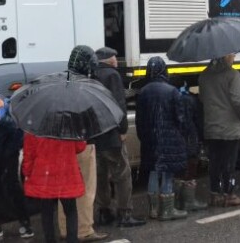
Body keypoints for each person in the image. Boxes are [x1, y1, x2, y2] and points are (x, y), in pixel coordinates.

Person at [58, 45, 108, 242]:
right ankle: (84, 229)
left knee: (64, 191)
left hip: (62, 143)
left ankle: (65, 228)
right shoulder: (86, 85)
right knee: (85, 189)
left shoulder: (60, 82)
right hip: (83, 143)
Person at [92, 47, 145, 228]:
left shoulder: (91, 74)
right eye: (114, 56)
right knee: (122, 174)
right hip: (111, 134)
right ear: (108, 59)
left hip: (95, 135)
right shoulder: (112, 76)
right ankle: (125, 213)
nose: (116, 59)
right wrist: (122, 129)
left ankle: (103, 212)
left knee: (100, 175)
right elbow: (118, 104)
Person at [136, 56, 190, 220]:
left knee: (153, 171)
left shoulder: (143, 92)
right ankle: (167, 210)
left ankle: (153, 209)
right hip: (169, 139)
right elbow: (180, 118)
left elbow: (139, 120)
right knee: (167, 172)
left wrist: (144, 136)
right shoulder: (172, 91)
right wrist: (181, 134)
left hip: (150, 140)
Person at [199, 54, 240, 207]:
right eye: (232, 54)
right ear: (225, 56)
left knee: (215, 162)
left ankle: (215, 194)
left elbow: (202, 98)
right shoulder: (232, 75)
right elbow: (238, 99)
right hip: (229, 127)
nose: (234, 57)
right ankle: (229, 194)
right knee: (229, 163)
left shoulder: (204, 76)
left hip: (211, 126)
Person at [22, 132, 86, 243]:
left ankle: (50, 240)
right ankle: (72, 240)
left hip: (45, 176)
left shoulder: (34, 128)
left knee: (46, 212)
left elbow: (29, 152)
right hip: (66, 173)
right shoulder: (69, 124)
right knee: (70, 211)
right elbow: (79, 147)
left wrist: (27, 172)